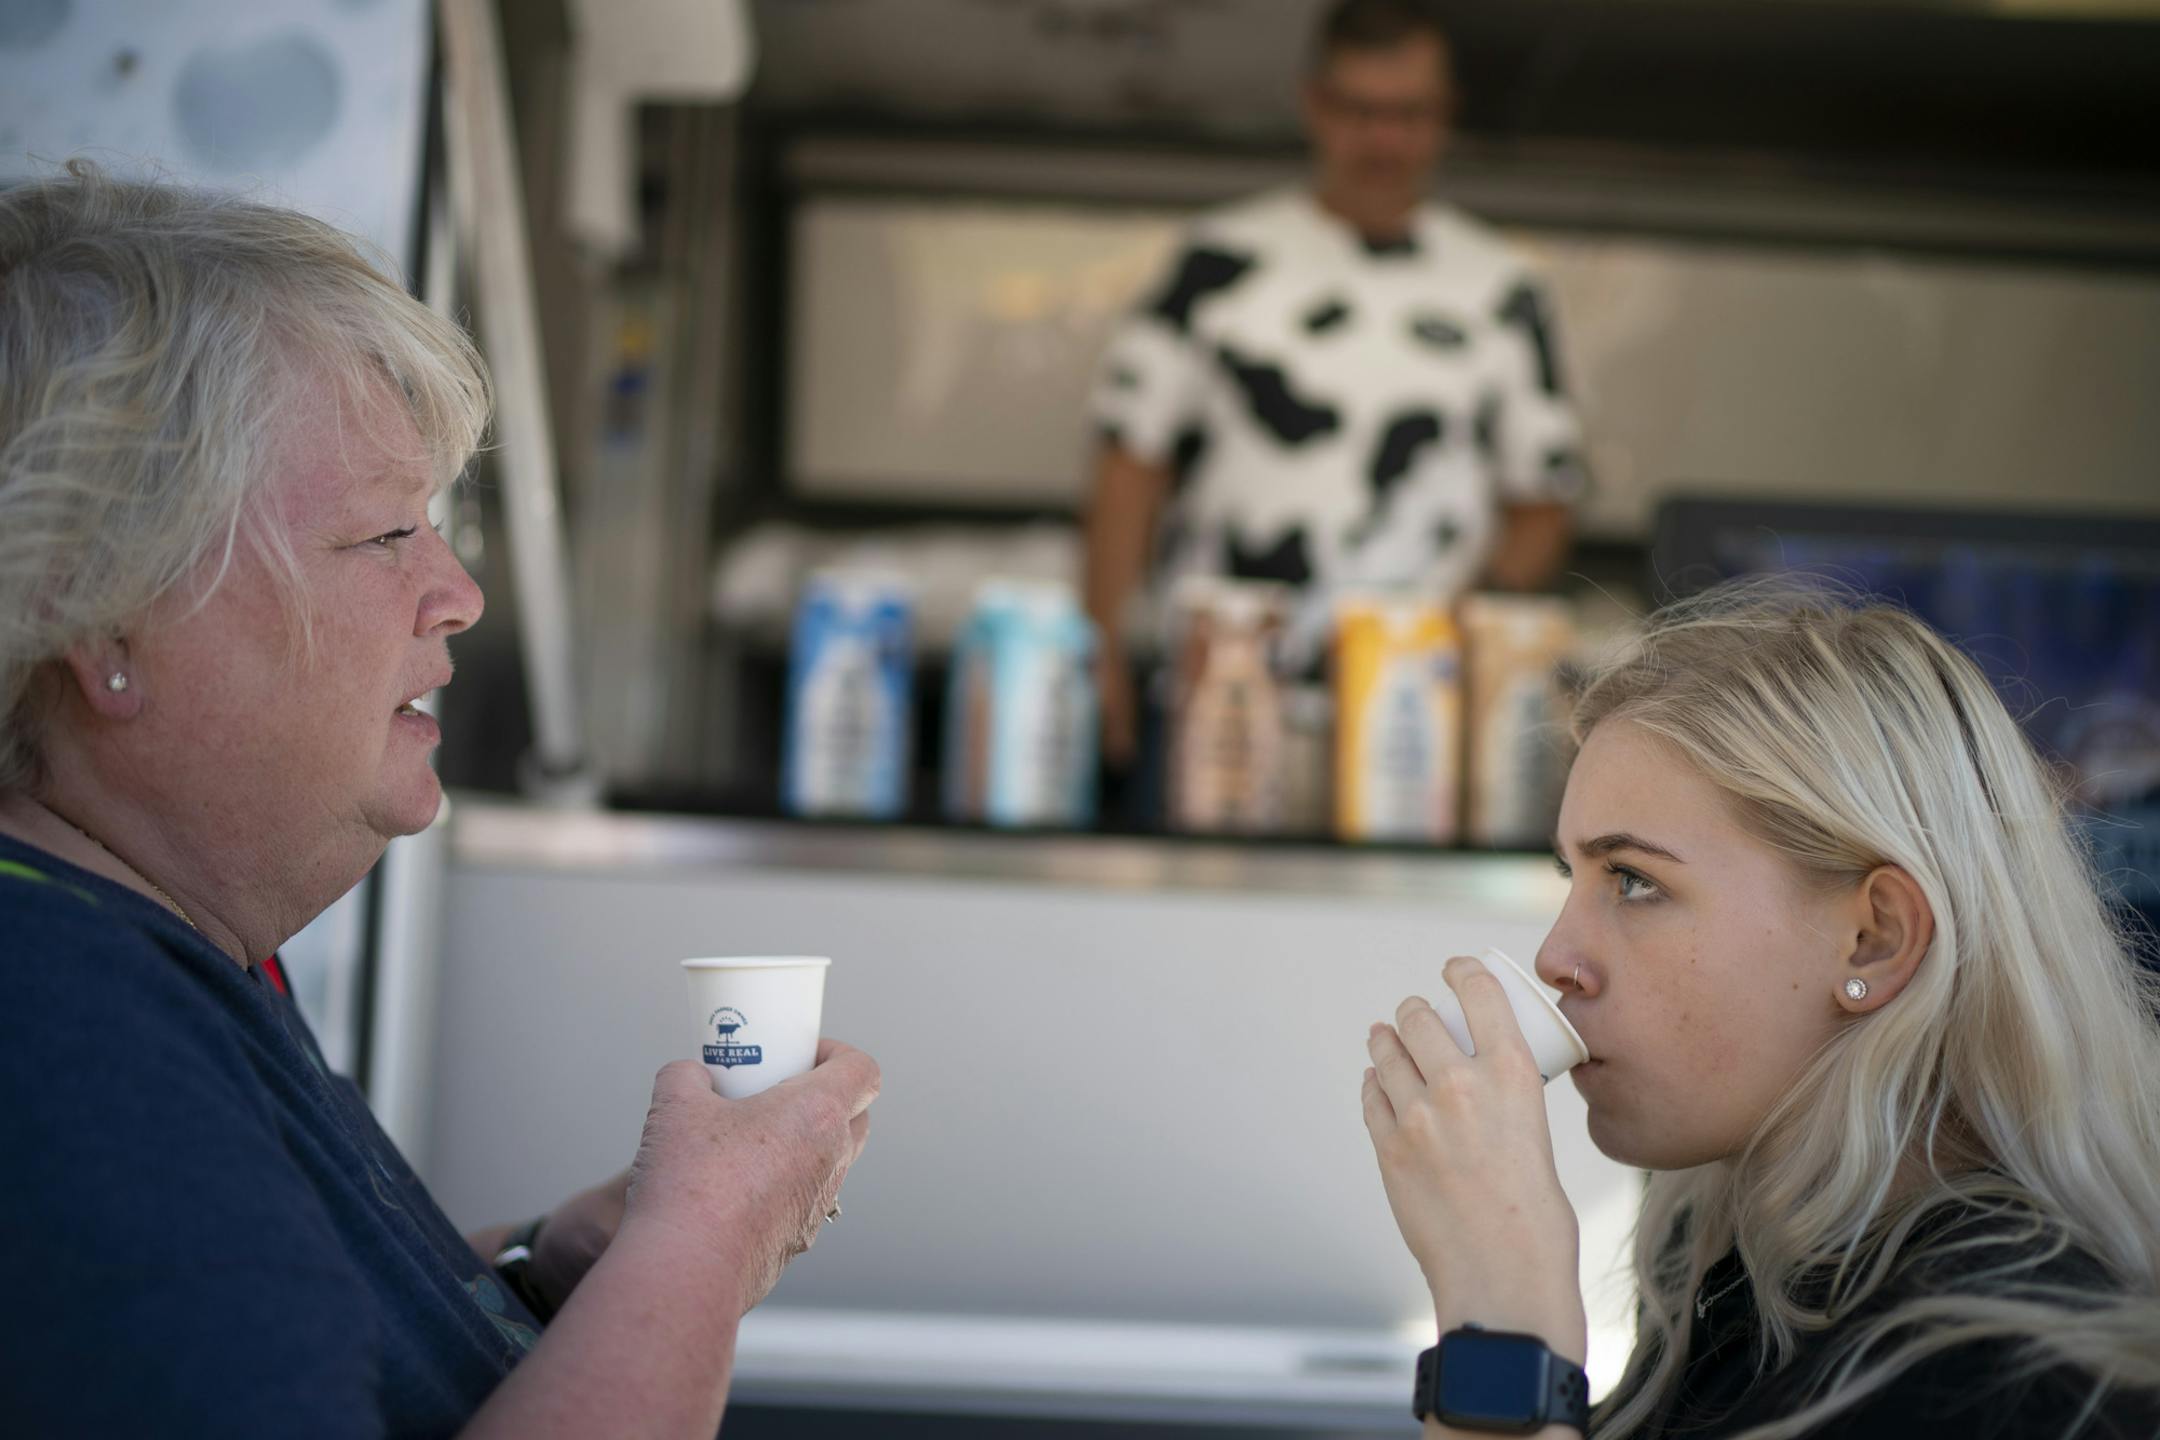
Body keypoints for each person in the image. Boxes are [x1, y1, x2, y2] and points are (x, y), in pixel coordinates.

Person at [0, 161, 881, 1438]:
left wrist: (541, 1271)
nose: (459, 592)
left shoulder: (147, 946)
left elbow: (274, 1336)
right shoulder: (59, 1029)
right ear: (99, 616)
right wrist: (701, 1247)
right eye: (381, 536)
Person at [1361, 582, 2160, 1438]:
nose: (1557, 957)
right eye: (1575, 878)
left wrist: (1501, 1303)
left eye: (1634, 881)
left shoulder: (2005, 1386)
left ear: (1875, 940)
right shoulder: (1727, 1268)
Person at [1084, 0, 1587, 772]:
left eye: (1410, 114)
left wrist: (1465, 628)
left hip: (1418, 708)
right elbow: (1129, 466)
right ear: (1314, 104)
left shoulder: (1503, 287)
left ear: (1446, 115)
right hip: (1220, 693)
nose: (1385, 140)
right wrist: (1104, 657)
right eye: (1360, 111)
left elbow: (1544, 503)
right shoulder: (1216, 261)